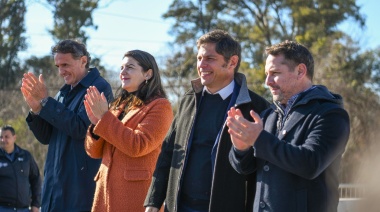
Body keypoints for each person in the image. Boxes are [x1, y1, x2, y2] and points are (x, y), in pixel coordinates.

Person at [144, 29, 269, 212]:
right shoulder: (189, 99)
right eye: (199, 58)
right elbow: (169, 152)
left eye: (210, 59)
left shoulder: (256, 108)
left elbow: (261, 168)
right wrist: (154, 201)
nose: (201, 65)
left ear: (232, 62)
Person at [227, 40, 350, 212]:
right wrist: (241, 149)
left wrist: (259, 139)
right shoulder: (268, 115)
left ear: (300, 71)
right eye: (266, 74)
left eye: (275, 73)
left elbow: (311, 163)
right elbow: (246, 170)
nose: (267, 82)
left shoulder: (331, 114)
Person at [20, 39, 114, 212]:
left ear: (83, 61)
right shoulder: (63, 93)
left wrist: (46, 102)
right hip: (53, 191)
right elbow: (46, 137)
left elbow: (81, 129)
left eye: (65, 64)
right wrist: (36, 110)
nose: (61, 72)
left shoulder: (99, 87)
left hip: (79, 193)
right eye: (58, 66)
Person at [84, 50, 173, 212]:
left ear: (148, 74)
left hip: (136, 196)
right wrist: (97, 126)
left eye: (130, 67)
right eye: (121, 67)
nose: (122, 72)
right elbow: (94, 152)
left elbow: (138, 145)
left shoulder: (161, 106)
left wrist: (104, 117)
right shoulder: (118, 105)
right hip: (105, 194)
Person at [0, 125, 41, 212]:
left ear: (14, 137)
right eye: (1, 137)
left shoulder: (26, 156)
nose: (3, 140)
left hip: (24, 209)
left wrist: (36, 204)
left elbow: (36, 179)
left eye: (6, 137)